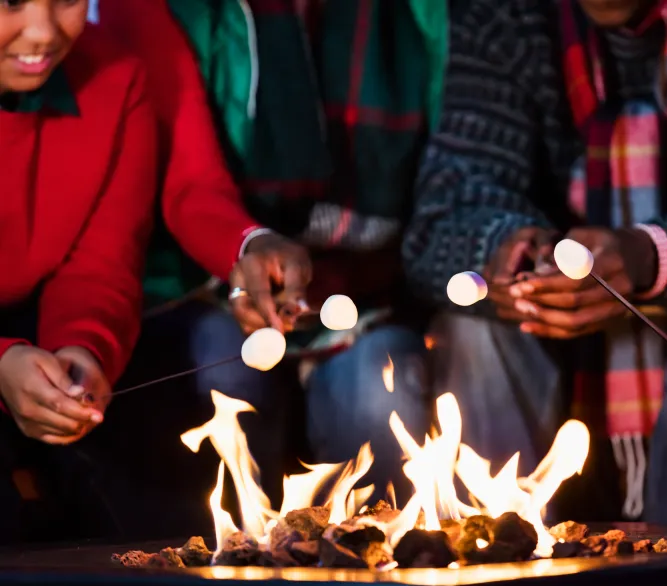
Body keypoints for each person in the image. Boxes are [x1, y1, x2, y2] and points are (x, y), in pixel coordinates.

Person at [404, 0, 667, 525]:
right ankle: (503, 550)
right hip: (560, 357)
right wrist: (515, 253)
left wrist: (649, 257)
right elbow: (440, 222)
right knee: (473, 329)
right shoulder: (509, 16)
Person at [89, 0, 445, 525]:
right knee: (224, 369)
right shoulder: (169, 13)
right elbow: (189, 185)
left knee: (381, 385)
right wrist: (245, 251)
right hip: (198, 286)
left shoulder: (417, 18)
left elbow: (456, 179)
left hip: (366, 297)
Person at [0, 0, 156, 540]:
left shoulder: (115, 76)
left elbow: (101, 263)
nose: (43, 32)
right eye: (10, 3)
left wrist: (82, 351)